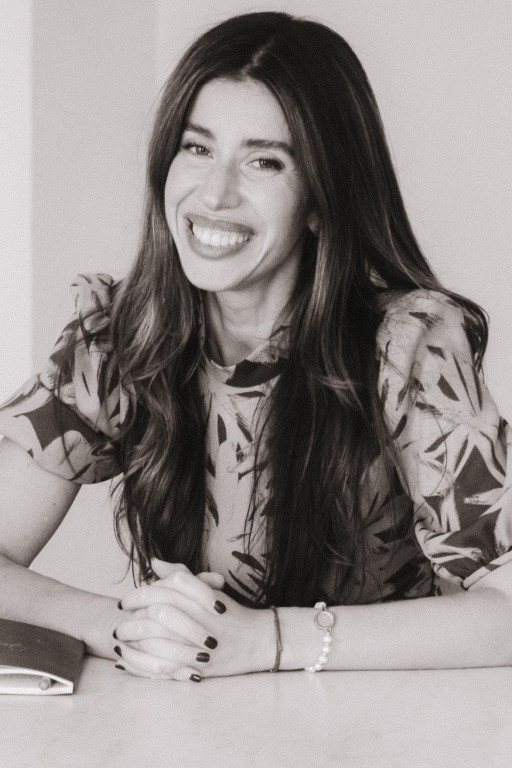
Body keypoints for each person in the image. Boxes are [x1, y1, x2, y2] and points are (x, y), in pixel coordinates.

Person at [1, 11, 511, 683]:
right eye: (197, 148)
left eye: (264, 161)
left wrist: (267, 641)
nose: (214, 194)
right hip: (196, 727)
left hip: (384, 724)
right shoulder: (119, 341)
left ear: (320, 200)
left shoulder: (407, 350)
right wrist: (122, 625)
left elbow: (506, 605)